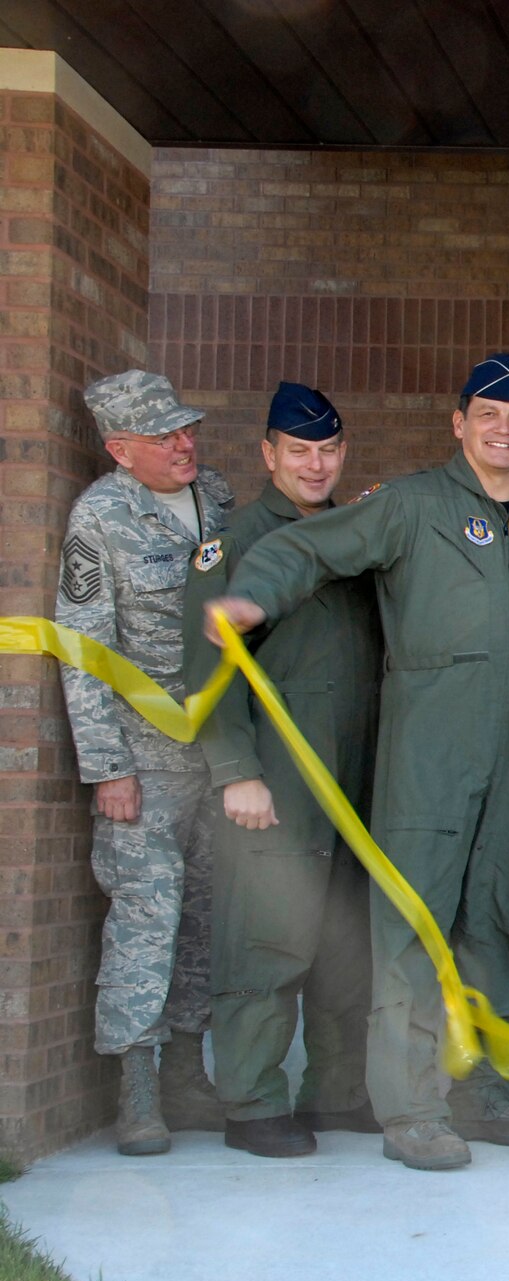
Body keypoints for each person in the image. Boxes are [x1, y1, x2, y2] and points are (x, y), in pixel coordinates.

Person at [208, 354, 509, 1171]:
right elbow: (306, 548)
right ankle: (411, 1107)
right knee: (413, 926)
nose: (502, 428)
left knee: (499, 921)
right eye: (487, 414)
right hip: (425, 747)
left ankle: (482, 1092)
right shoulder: (408, 507)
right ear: (458, 424)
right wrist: (254, 598)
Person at [182, 383, 379, 1159]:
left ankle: (335, 1090)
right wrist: (235, 771)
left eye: (329, 449)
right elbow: (209, 668)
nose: (316, 464)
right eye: (300, 450)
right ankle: (253, 1100)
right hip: (276, 777)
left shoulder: (354, 538)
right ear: (268, 454)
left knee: (343, 940)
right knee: (266, 937)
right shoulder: (233, 546)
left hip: (354, 775)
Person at [58, 369, 232, 1156]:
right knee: (145, 914)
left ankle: (187, 1077)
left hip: (219, 754)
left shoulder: (219, 499)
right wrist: (107, 767)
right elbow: (84, 652)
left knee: (204, 918)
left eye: (186, 429)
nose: (184, 443)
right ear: (119, 448)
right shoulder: (100, 517)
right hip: (144, 759)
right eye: (163, 436)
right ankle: (136, 1087)